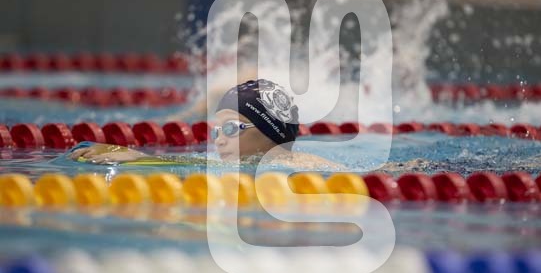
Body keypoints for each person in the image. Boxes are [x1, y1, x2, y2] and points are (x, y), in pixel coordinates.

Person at [69, 79, 340, 169]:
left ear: (271, 133)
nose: (218, 139)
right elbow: (190, 164)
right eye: (216, 130)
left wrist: (137, 158)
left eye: (231, 129)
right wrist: (132, 155)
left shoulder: (296, 166)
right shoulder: (245, 163)